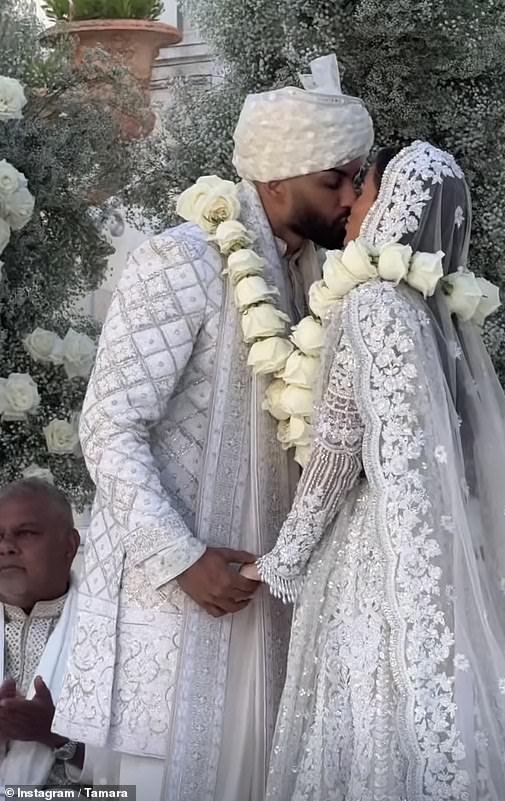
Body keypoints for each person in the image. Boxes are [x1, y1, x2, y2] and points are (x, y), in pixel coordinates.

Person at [242, 141, 505, 800]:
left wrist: (280, 560)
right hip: (437, 546)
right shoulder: (432, 313)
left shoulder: (369, 304)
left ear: (393, 206)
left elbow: (340, 449)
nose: (350, 207)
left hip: (374, 557)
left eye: (362, 193)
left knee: (374, 726)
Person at [52, 54, 373, 801]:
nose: (350, 197)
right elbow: (109, 425)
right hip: (181, 596)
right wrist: (182, 557)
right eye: (334, 180)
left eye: (355, 178)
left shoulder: (312, 278)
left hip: (266, 595)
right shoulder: (182, 260)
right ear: (275, 181)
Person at [0, 479, 82, 793]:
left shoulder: (108, 633)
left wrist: (55, 734)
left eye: (26, 533)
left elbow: (132, 777)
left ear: (69, 546)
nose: (6, 546)